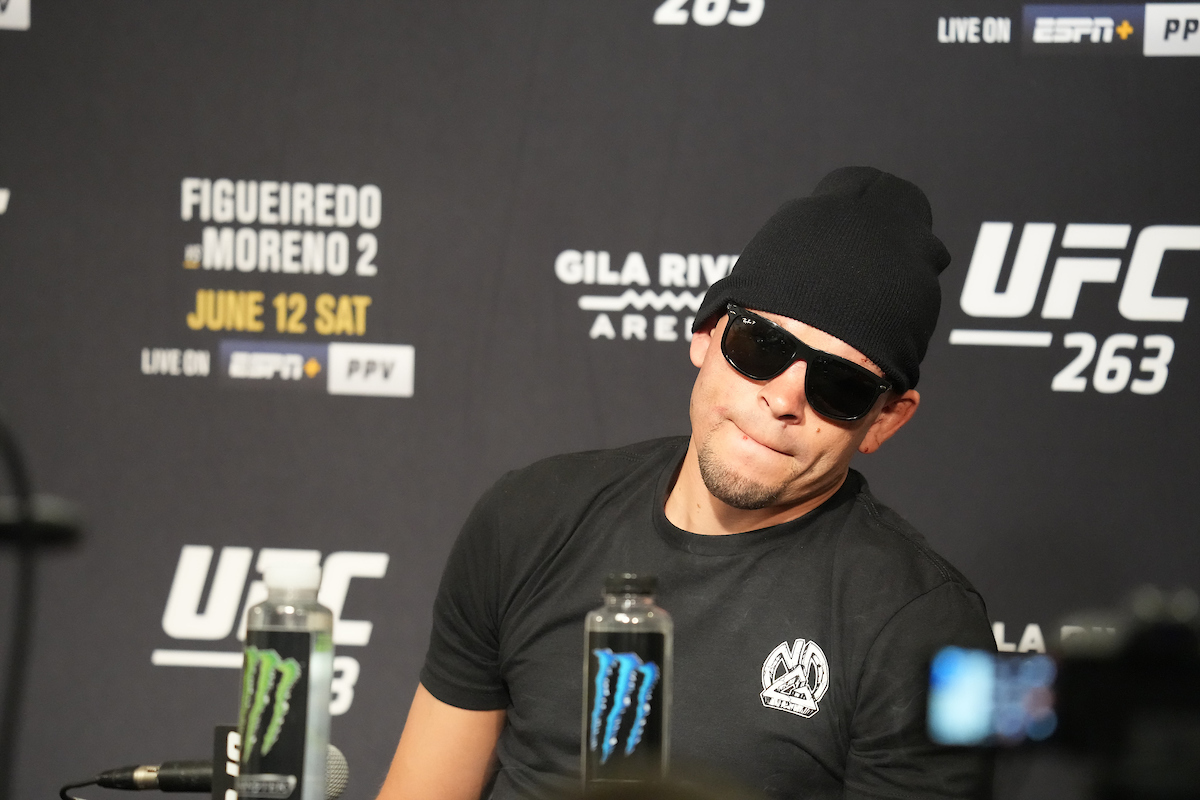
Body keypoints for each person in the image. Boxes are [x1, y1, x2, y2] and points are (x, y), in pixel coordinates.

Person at [377, 167, 995, 800]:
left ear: (885, 419)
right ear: (705, 334)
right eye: (760, 346)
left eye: (841, 386)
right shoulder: (529, 519)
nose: (784, 399)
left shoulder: (924, 629)